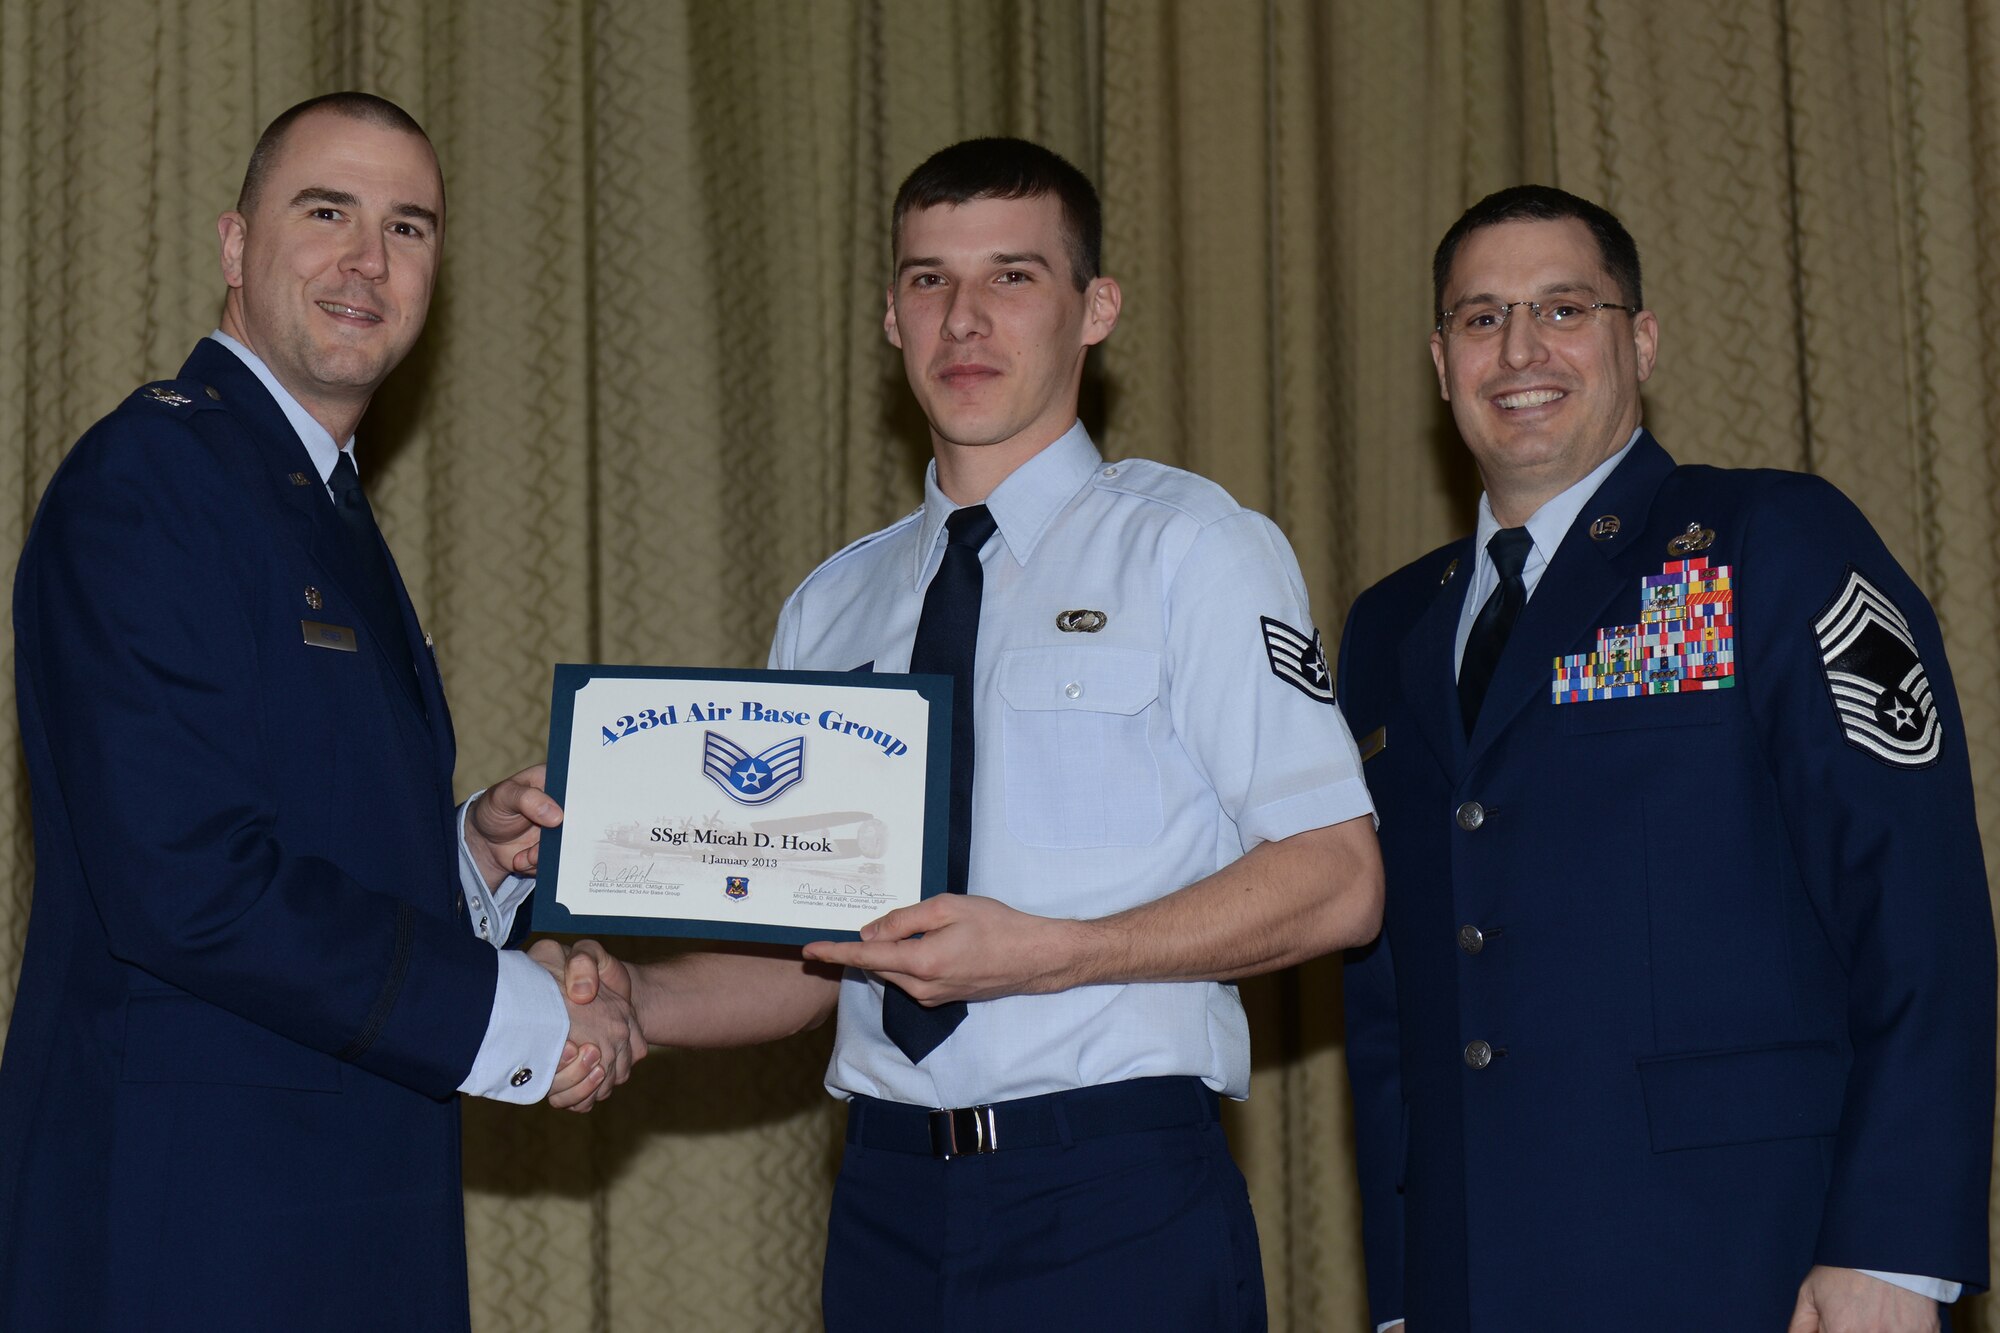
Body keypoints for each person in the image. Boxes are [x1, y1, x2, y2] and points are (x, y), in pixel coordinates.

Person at [558, 137, 1383, 1329]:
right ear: (890, 317)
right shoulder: (831, 603)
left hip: (1114, 1191)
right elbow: (808, 956)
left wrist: (1045, 951)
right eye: (927, 281)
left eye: (1011, 277)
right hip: (887, 1200)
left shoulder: (1190, 549)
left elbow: (1335, 881)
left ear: (1093, 309)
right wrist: (633, 999)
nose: (964, 321)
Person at [0, 93, 644, 1332]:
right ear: (236, 246)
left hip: (321, 1212)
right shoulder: (152, 482)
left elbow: (289, 817)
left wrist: (460, 853)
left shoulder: (307, 494)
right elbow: (185, 879)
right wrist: (515, 1015)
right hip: (185, 1232)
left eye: (409, 227)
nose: (368, 259)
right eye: (328, 211)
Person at [1338, 184, 1994, 1332]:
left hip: (1746, 1261)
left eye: (1562, 307)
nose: (1519, 349)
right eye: (1480, 317)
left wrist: (1892, 1248)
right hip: (1473, 1282)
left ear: (1637, 339)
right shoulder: (1389, 628)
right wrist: (1403, 1287)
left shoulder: (1765, 542)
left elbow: (1916, 905)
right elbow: (1390, 996)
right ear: (1439, 362)